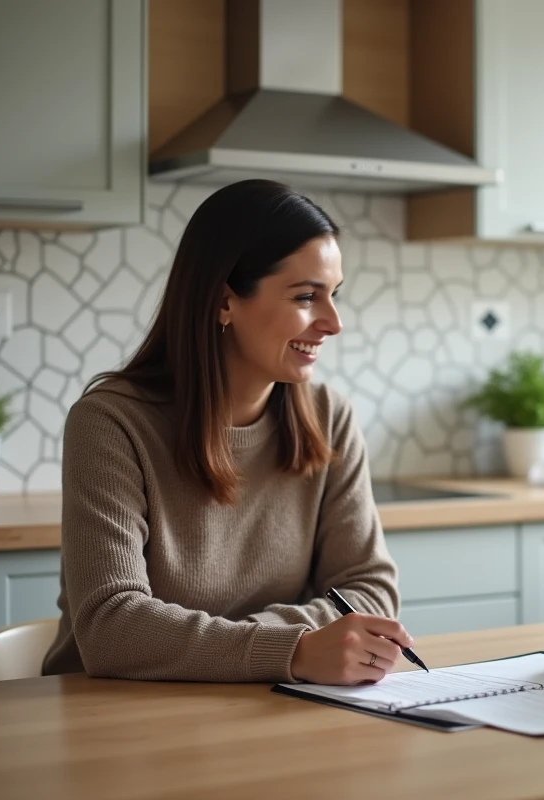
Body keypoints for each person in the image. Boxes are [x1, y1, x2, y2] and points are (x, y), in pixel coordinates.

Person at [43, 179, 410, 685]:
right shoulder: (110, 423)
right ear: (223, 302)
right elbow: (111, 627)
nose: (333, 322)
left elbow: (370, 591)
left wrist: (269, 649)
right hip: (112, 714)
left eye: (334, 295)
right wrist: (294, 649)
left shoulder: (329, 417)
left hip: (262, 704)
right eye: (307, 296)